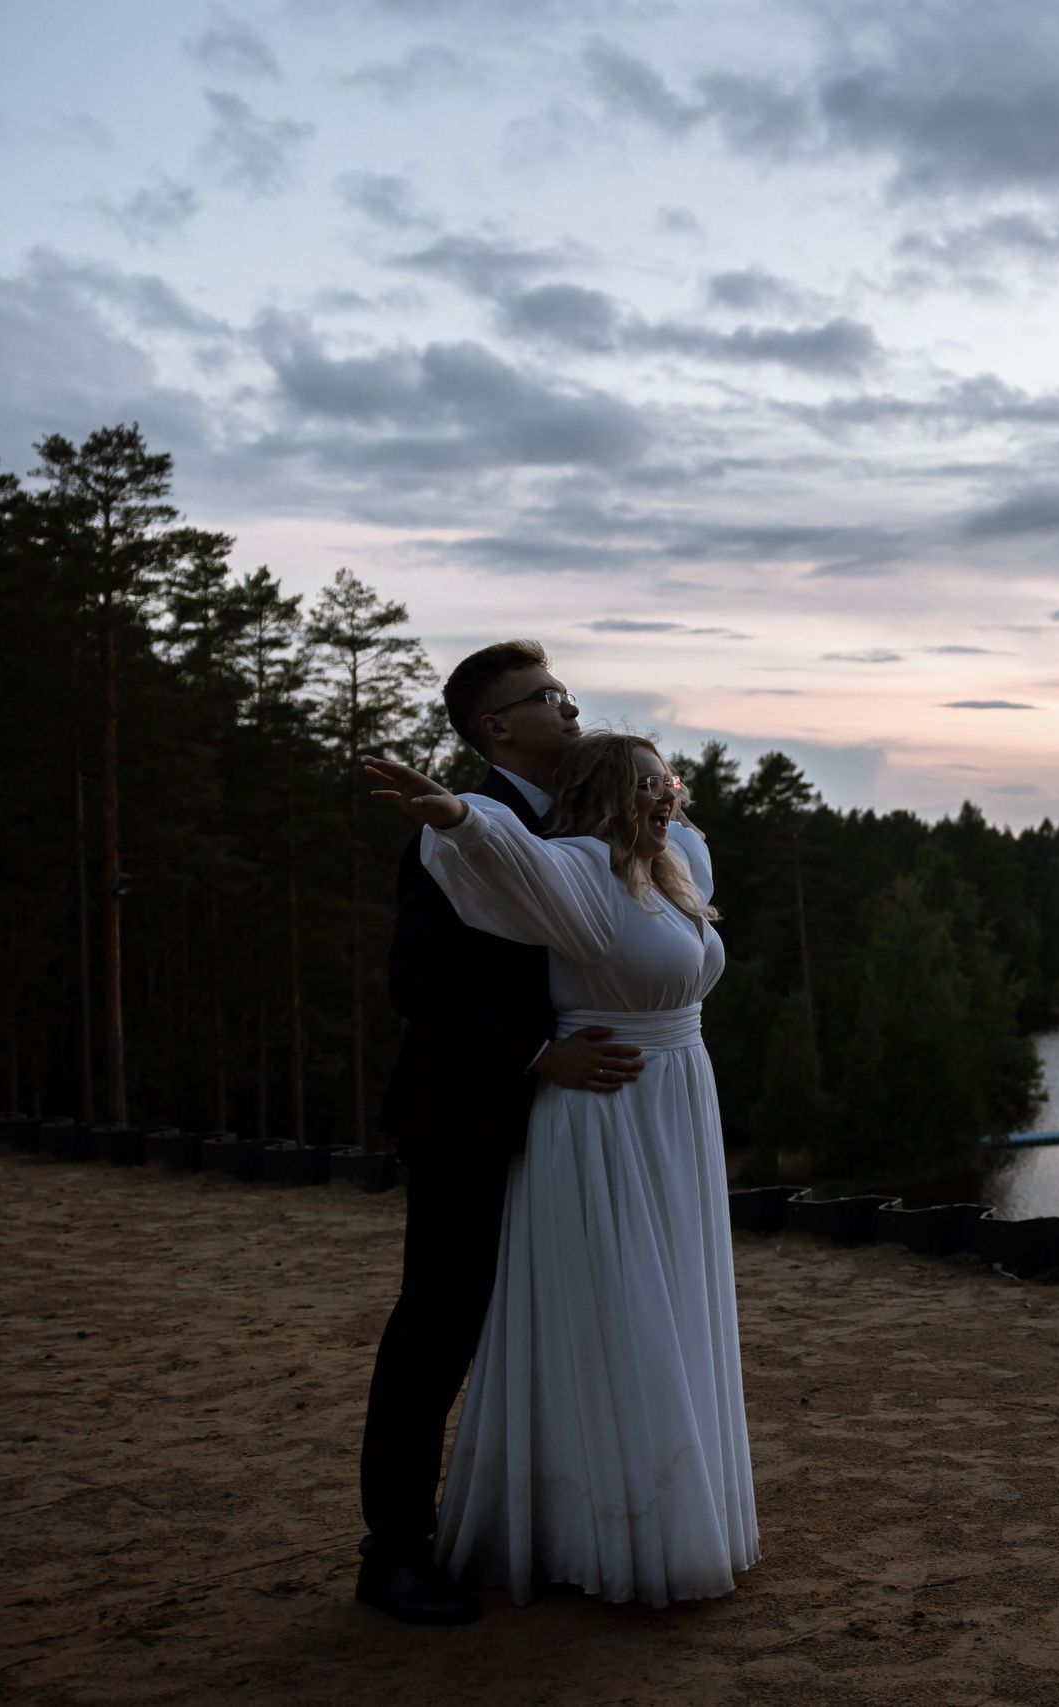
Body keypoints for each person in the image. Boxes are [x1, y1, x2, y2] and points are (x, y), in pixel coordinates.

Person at [362, 732, 758, 1608]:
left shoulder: (666, 862)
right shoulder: (571, 863)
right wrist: (459, 815)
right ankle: (413, 1544)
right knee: (595, 1310)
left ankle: (663, 1511)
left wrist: (664, 813)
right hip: (596, 1111)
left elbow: (679, 855)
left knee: (668, 1302)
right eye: (650, 784)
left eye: (671, 780)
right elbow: (509, 863)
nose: (670, 796)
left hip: (674, 1109)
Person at [357, 642, 645, 1626]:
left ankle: (558, 1527)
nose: (570, 710)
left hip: (576, 1129)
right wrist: (538, 1056)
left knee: (563, 1323)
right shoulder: (452, 834)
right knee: (439, 1329)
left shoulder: (578, 822)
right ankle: (393, 1552)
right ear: (496, 729)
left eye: (566, 694)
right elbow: (418, 986)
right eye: (546, 699)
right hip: (472, 1118)